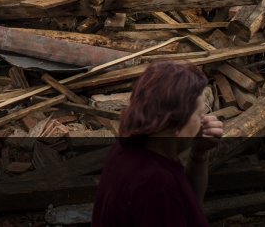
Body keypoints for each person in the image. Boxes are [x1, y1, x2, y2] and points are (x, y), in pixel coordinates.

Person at [92, 61, 224, 227]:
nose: (203, 122)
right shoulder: (157, 186)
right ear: (177, 123)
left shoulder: (127, 151)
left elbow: (189, 205)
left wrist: (199, 155)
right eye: (199, 115)